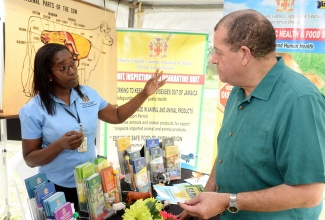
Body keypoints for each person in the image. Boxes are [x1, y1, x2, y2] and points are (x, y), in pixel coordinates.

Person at [177, 9, 325, 220]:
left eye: (219, 52)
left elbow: (310, 194)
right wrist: (208, 194)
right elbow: (226, 154)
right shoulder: (238, 90)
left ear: (245, 55)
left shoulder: (300, 101)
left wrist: (228, 201)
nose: (213, 59)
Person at [19, 43, 167, 213]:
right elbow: (30, 159)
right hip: (57, 190)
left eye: (73, 64)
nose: (72, 71)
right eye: (63, 68)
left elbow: (117, 116)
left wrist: (144, 94)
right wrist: (59, 145)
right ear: (48, 74)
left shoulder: (88, 95)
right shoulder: (33, 110)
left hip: (91, 185)